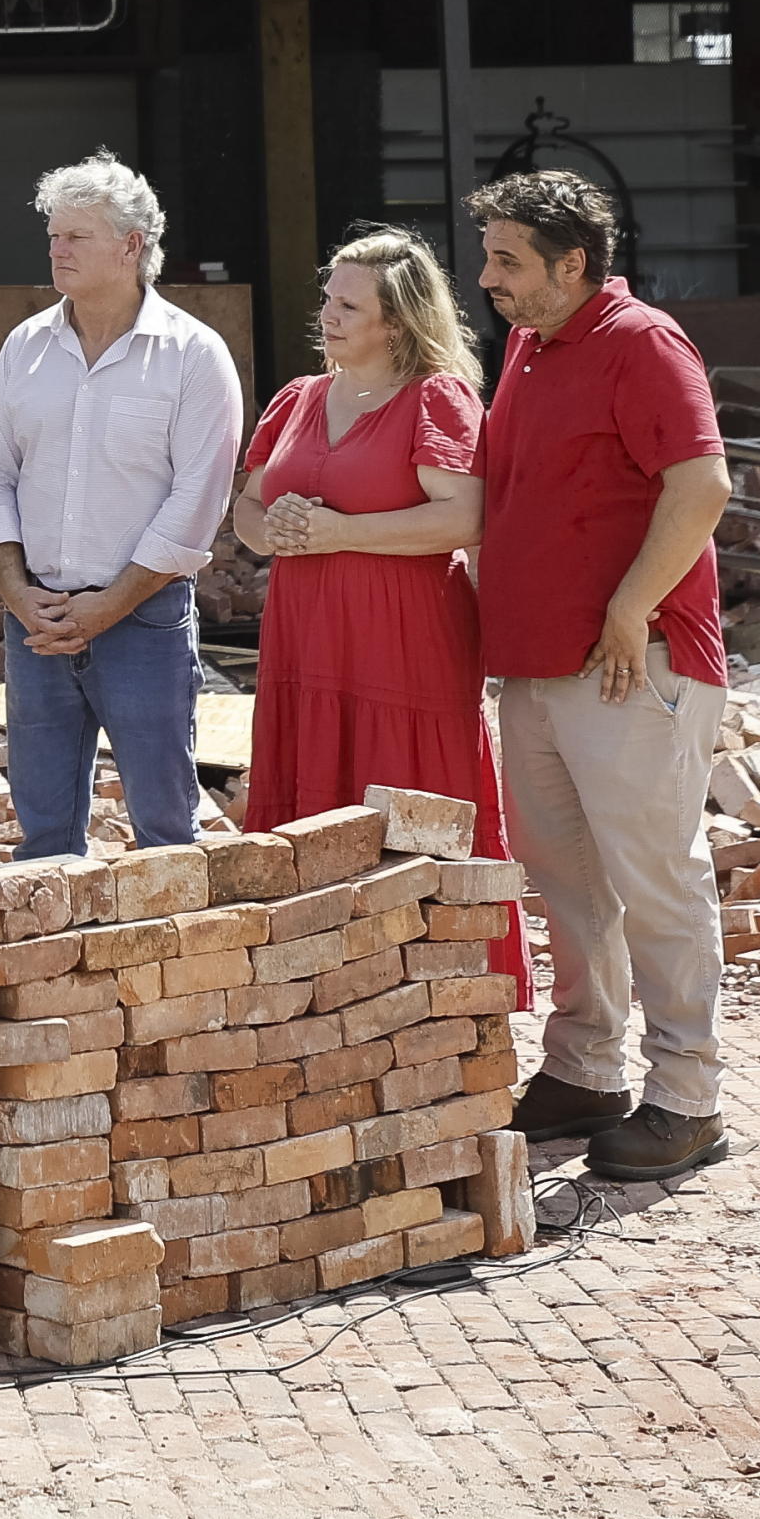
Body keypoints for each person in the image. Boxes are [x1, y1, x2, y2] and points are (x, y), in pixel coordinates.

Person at [466, 167, 736, 1185]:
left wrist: (629, 610)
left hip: (632, 665)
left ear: (571, 263)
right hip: (538, 668)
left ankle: (687, 1098)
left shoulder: (641, 342)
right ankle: (584, 1068)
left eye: (507, 259)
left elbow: (701, 485)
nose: (486, 277)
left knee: (653, 878)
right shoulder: (528, 348)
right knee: (564, 882)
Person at [237, 227, 520, 998]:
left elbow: (463, 519)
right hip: (306, 640)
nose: (326, 313)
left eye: (347, 303)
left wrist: (338, 532)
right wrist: (276, 531)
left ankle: (445, 996)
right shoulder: (298, 398)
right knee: (313, 800)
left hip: (403, 644)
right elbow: (247, 508)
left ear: (395, 321)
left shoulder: (436, 396)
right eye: (327, 298)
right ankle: (318, 996)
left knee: (408, 804)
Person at [0, 155, 242, 857]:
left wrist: (110, 604)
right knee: (44, 838)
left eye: (76, 237)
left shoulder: (193, 355)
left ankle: (177, 966)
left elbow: (197, 502)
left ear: (132, 245)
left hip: (143, 621)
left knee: (164, 834)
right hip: (40, 621)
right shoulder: (25, 347)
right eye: (54, 234)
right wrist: (16, 590)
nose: (56, 249)